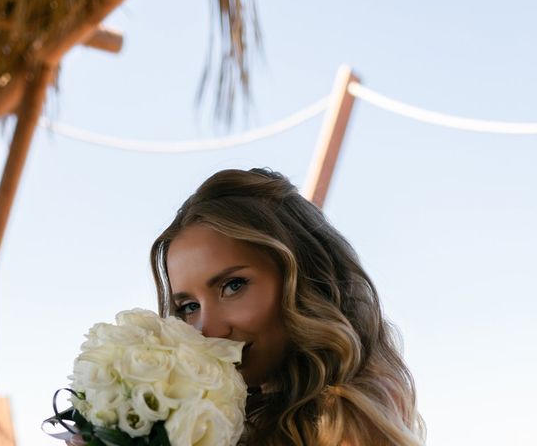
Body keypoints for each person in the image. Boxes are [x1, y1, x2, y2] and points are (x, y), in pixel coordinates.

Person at [150, 168, 426, 446]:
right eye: (189, 306)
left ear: (303, 278)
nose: (207, 330)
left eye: (233, 286)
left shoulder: (346, 420)